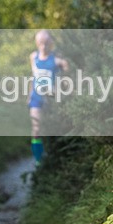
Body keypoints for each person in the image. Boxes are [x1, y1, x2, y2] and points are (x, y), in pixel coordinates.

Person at [28, 30, 69, 165]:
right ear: (36, 43)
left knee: (53, 128)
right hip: (36, 98)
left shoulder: (57, 61)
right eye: (40, 42)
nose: (43, 45)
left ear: (51, 43)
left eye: (46, 42)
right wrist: (29, 94)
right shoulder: (33, 57)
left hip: (52, 99)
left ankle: (55, 158)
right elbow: (33, 77)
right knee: (36, 129)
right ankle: (38, 161)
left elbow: (68, 74)